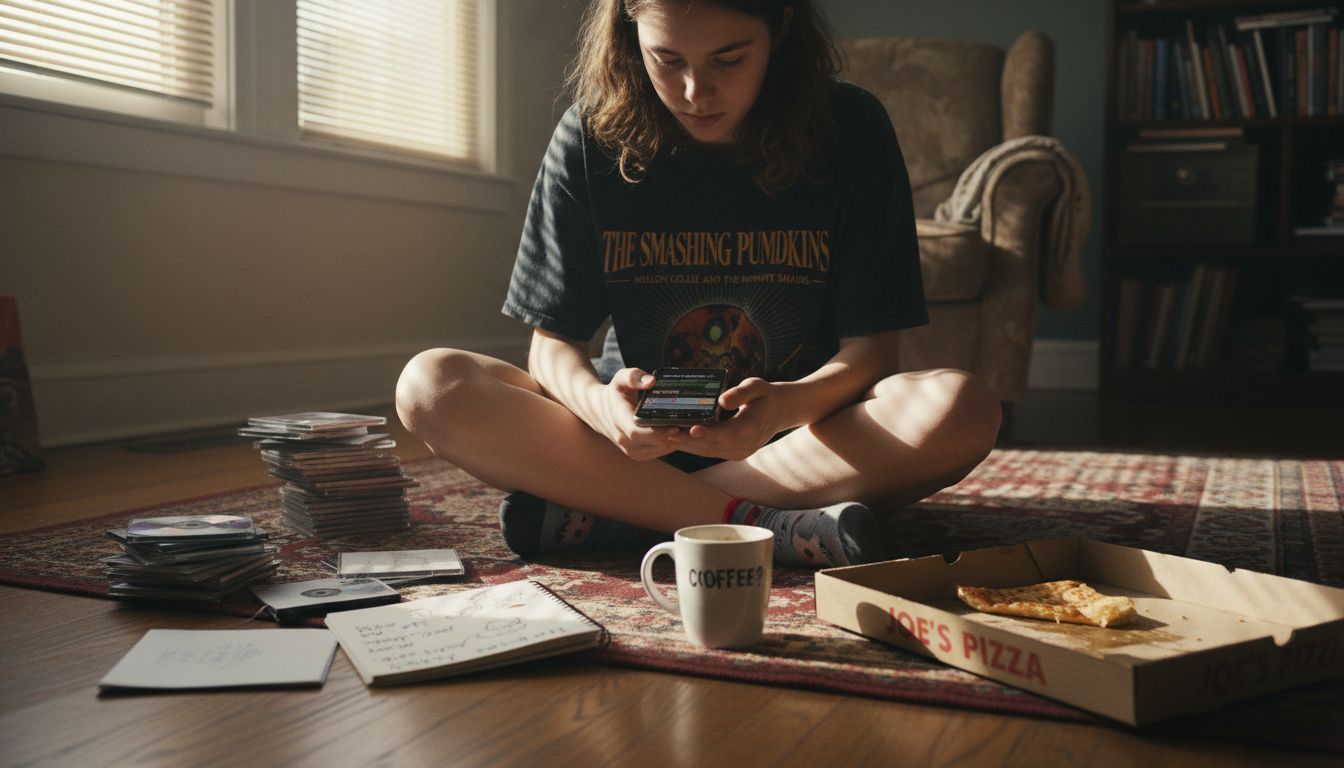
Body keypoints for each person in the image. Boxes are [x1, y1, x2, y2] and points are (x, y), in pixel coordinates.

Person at [396, 0, 1001, 569]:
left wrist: (782, 407)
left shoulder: (852, 127)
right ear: (631, 36)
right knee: (431, 385)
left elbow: (872, 353)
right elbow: (552, 345)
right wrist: (603, 408)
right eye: (667, 60)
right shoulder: (589, 134)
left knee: (962, 408)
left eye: (730, 59)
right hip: (623, 443)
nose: (695, 92)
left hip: (798, 445)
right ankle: (757, 523)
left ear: (781, 29)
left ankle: (621, 511)